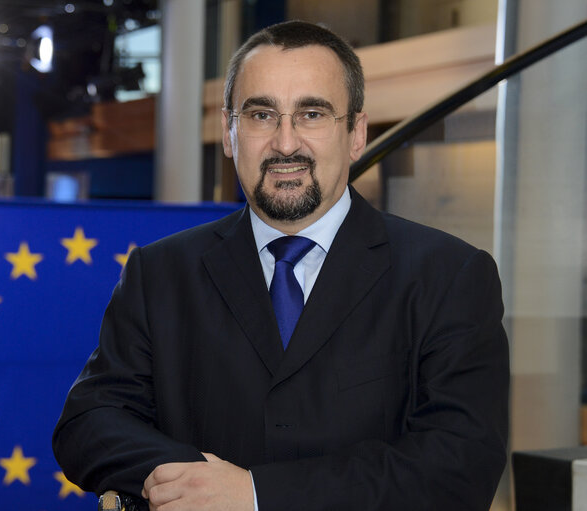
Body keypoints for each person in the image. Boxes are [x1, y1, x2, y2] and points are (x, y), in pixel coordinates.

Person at [53, 20, 509, 511]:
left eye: (312, 113)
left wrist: (254, 495)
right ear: (230, 133)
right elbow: (89, 423)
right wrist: (203, 486)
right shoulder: (159, 273)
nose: (285, 143)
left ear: (356, 133)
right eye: (261, 114)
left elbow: (459, 466)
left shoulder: (449, 276)